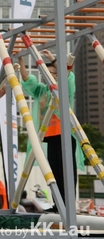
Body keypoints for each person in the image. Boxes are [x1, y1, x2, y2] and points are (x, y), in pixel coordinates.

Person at [20, 49, 77, 211]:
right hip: (50, 136)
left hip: (65, 135)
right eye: (46, 73)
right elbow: (27, 80)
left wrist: (52, 58)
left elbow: (67, 76)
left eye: (53, 73)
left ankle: (68, 205)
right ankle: (57, 204)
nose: (50, 76)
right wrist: (21, 60)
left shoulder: (64, 88)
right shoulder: (42, 90)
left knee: (67, 172)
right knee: (54, 173)